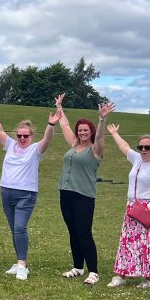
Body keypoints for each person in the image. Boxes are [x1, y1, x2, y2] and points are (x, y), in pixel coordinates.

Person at [0, 99, 60, 280]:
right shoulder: (10, 145)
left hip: (26, 195)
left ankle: (22, 265)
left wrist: (51, 125)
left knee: (20, 227)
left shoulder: (35, 150)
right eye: (19, 135)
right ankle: (19, 262)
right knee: (14, 229)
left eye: (25, 136)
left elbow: (48, 139)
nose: (21, 139)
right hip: (6, 192)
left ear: (31, 136)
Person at [54, 95, 115, 285]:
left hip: (83, 197)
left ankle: (93, 272)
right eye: (80, 130)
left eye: (86, 130)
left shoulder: (95, 150)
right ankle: (78, 267)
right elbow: (64, 125)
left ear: (91, 132)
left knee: (84, 233)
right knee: (73, 231)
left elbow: (101, 136)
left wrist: (102, 119)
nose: (82, 133)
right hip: (65, 194)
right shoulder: (73, 144)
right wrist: (59, 107)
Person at [105, 126, 150, 288]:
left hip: (149, 209)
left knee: (148, 243)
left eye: (147, 147)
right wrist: (114, 133)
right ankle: (121, 275)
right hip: (132, 208)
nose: (143, 150)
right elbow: (124, 147)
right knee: (127, 242)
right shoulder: (137, 159)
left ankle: (149, 279)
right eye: (140, 147)